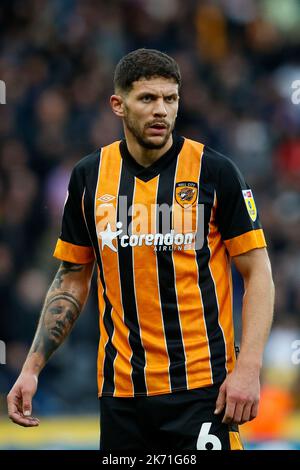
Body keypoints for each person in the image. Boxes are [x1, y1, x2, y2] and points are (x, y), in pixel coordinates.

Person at [7, 48, 274, 450]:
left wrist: (249, 369)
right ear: (118, 104)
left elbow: (259, 273)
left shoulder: (215, 172)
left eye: (170, 99)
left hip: (203, 389)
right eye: (148, 99)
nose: (161, 110)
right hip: (122, 394)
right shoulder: (88, 178)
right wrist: (31, 368)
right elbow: (71, 278)